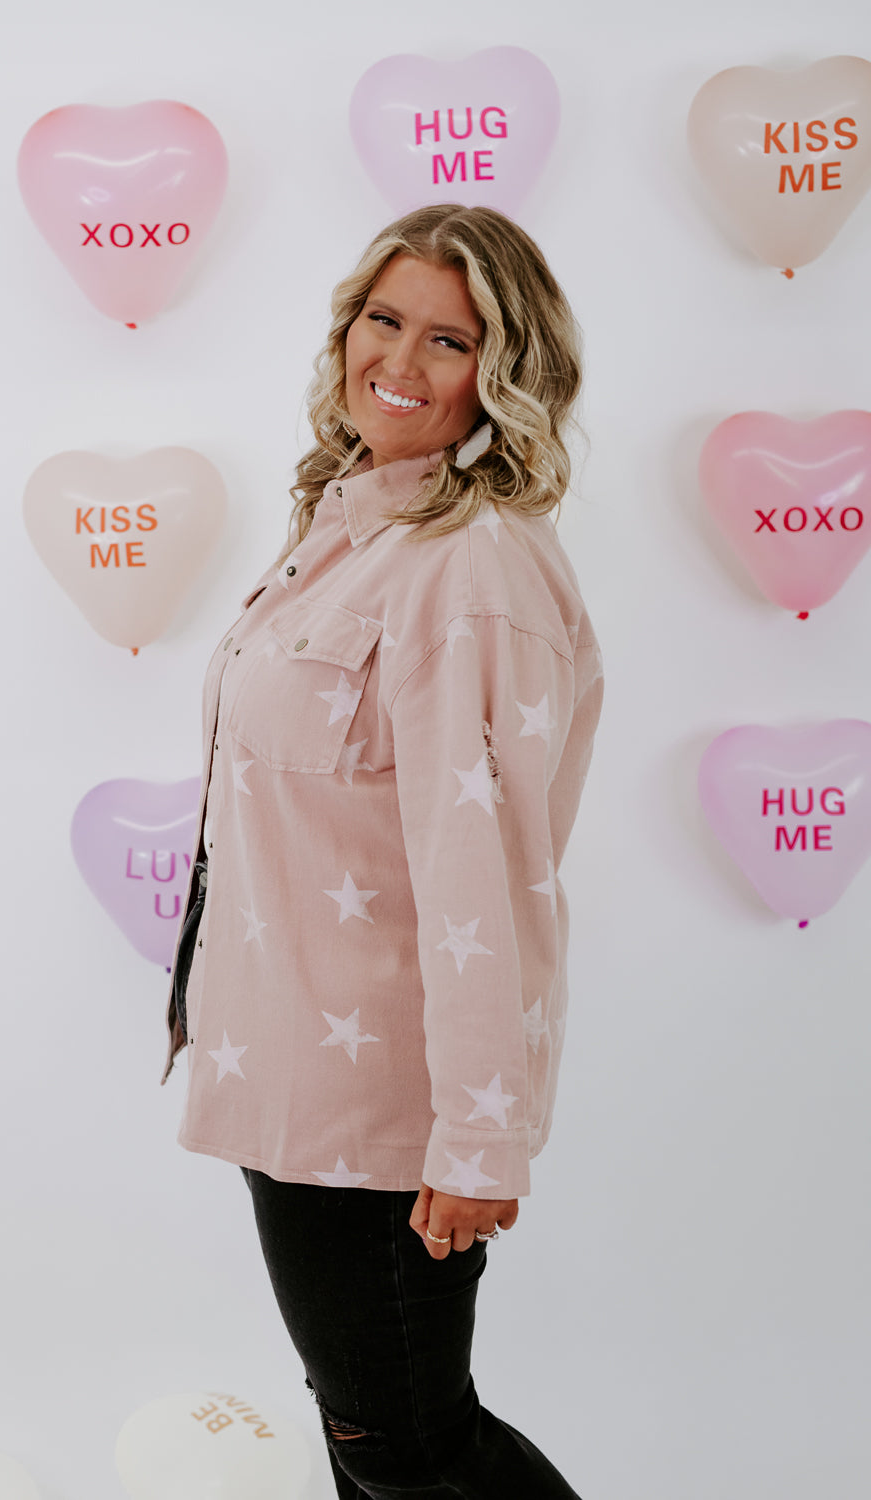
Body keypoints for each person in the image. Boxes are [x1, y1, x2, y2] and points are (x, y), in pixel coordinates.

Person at [162, 203, 602, 1499]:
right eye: (383, 318)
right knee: (376, 1437)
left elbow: (487, 870)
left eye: (449, 339)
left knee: (407, 1449)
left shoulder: (471, 570)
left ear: (503, 371)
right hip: (297, 1073)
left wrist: (479, 1137)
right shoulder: (350, 526)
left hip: (388, 1113)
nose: (399, 360)